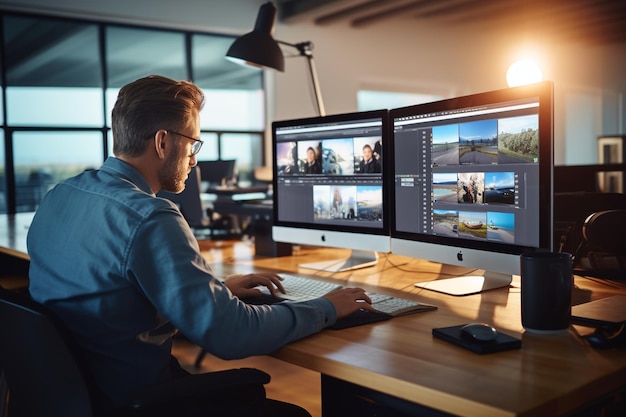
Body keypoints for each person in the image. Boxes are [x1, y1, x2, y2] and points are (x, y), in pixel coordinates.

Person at [26, 75, 376, 416]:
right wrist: (326, 307)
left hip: (79, 395)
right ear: (163, 142)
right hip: (137, 401)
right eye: (193, 143)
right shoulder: (150, 216)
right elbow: (230, 336)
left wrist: (216, 292)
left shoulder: (60, 195)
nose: (194, 160)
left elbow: (110, 300)